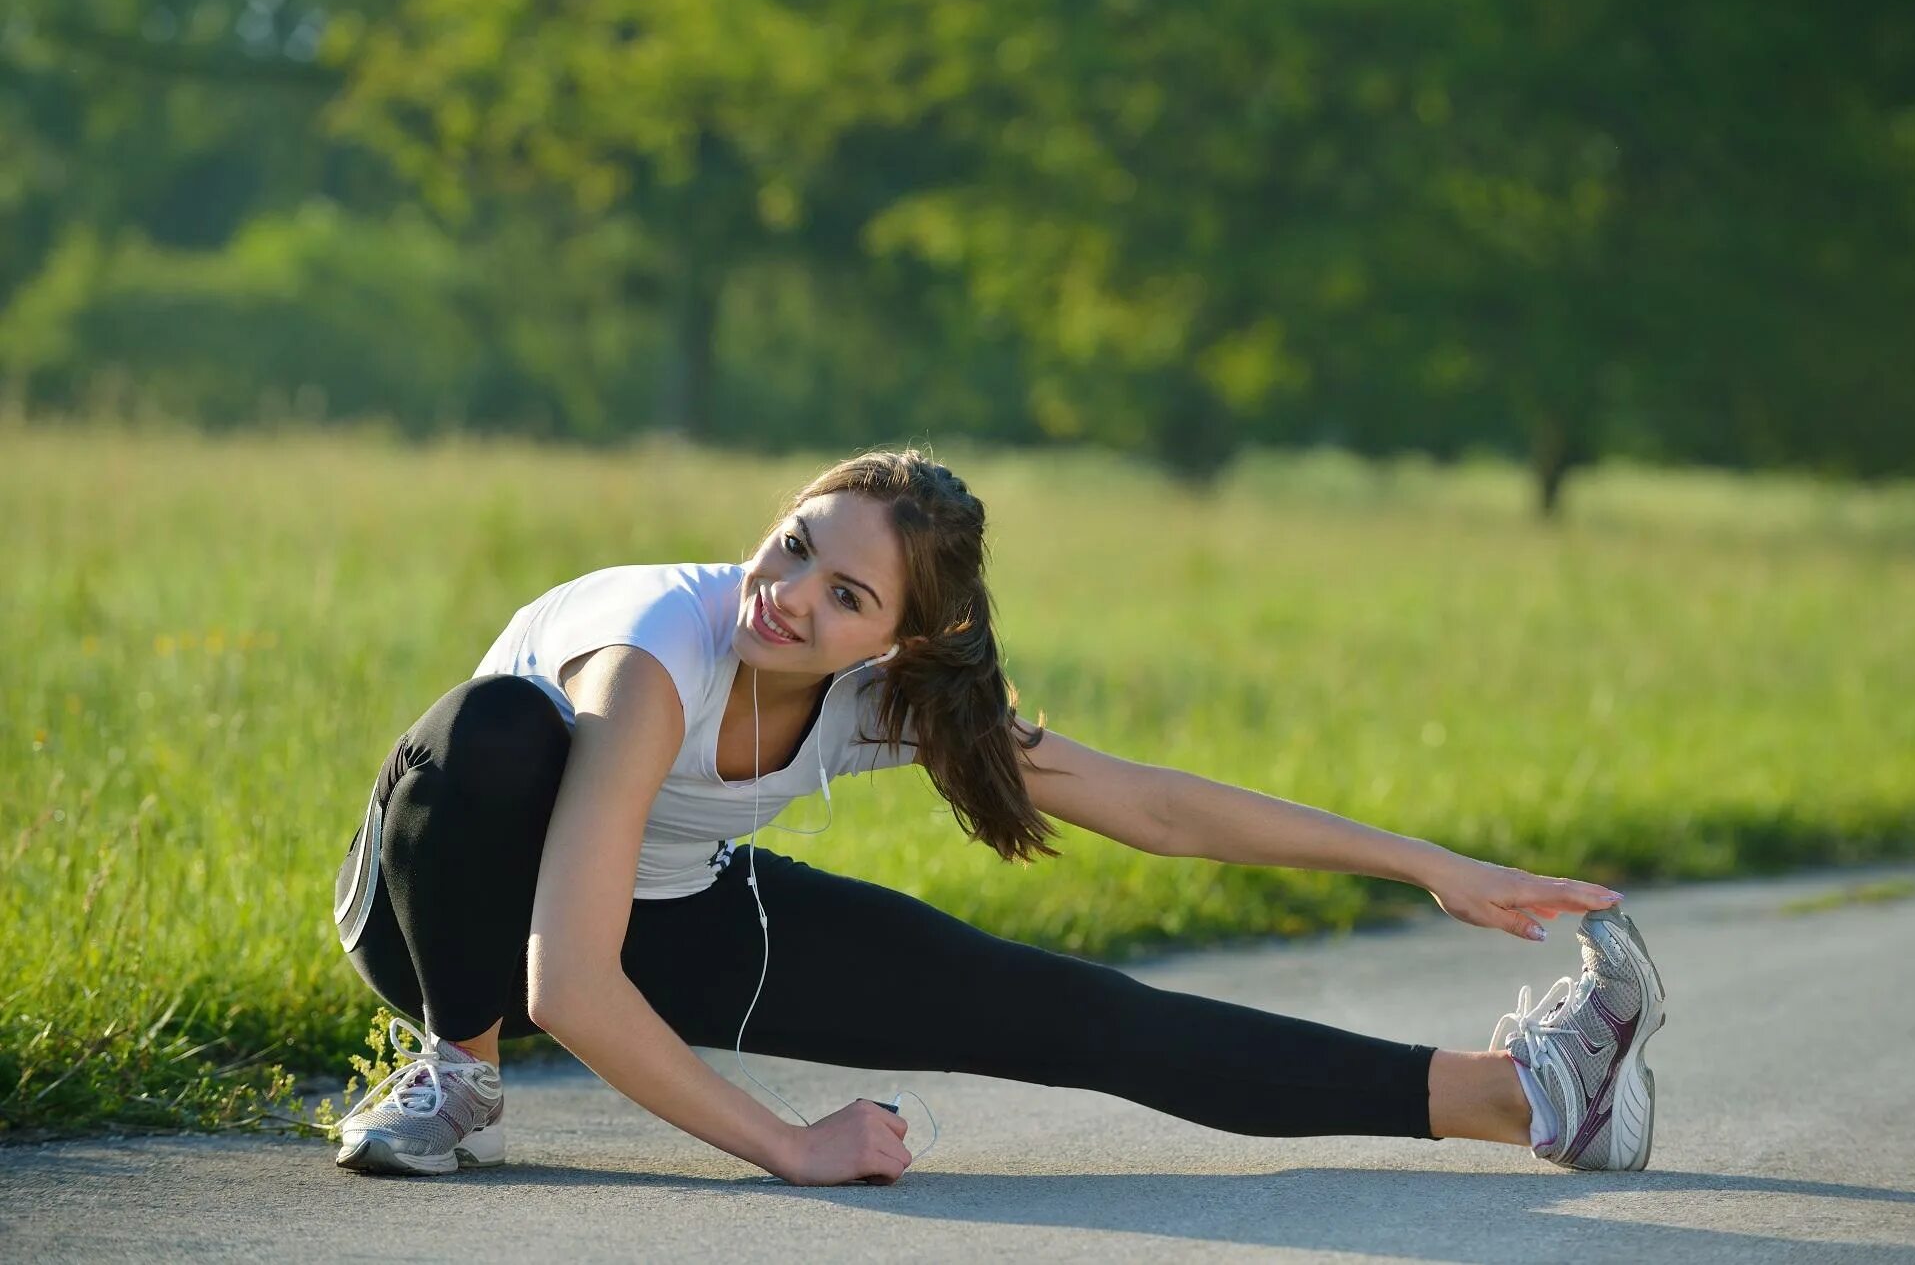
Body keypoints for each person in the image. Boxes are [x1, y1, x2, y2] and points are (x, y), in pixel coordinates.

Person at [328, 448, 1666, 1183]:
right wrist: (793, 1145)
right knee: (494, 732)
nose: (790, 593)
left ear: (898, 640)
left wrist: (1433, 863)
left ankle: (1524, 1095)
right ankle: (457, 1069)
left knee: (1071, 1010)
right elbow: (569, 978)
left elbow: (1153, 805)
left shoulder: (885, 698)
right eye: (796, 542)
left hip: (670, 907)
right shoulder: (652, 655)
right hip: (449, 924)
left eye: (847, 593)